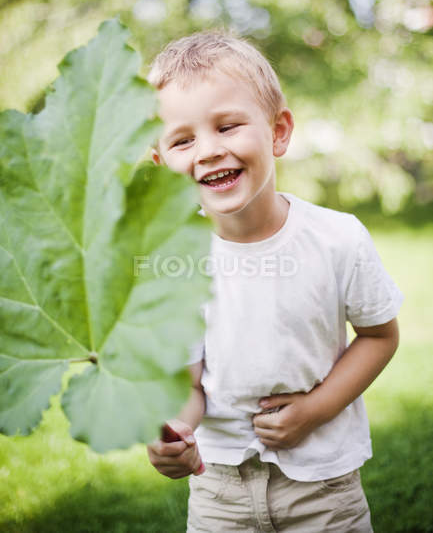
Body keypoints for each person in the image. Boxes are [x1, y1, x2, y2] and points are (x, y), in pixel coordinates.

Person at [146, 31, 402, 532]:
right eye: (183, 139)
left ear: (278, 132)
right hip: (219, 487)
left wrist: (315, 409)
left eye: (228, 126)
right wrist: (176, 429)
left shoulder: (337, 239)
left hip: (323, 486)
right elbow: (187, 382)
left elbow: (380, 336)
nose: (209, 151)